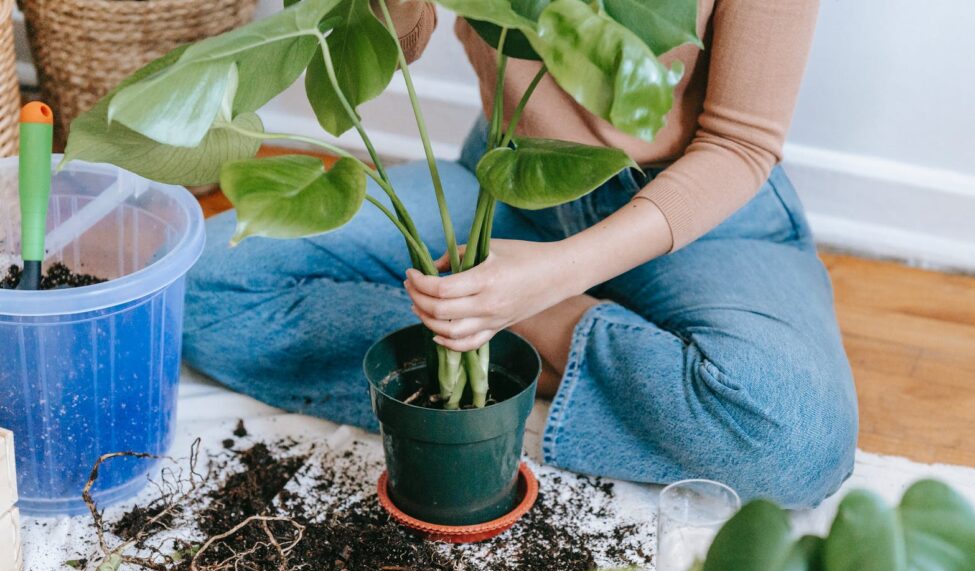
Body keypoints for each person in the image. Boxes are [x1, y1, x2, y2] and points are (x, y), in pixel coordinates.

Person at [184, 0, 858, 508]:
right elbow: (394, 43)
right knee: (197, 283)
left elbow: (739, 145)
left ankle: (502, 348)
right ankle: (538, 364)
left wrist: (546, 294)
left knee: (798, 441)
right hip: (508, 185)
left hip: (694, 208)